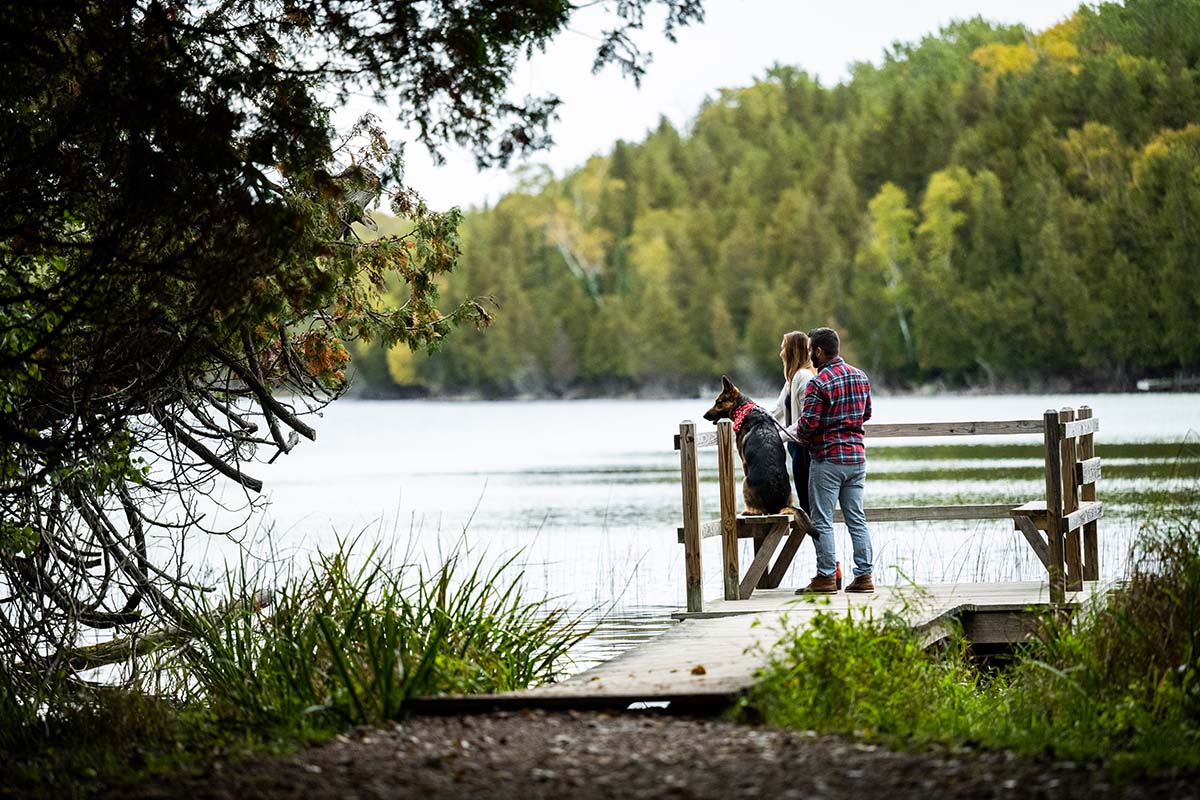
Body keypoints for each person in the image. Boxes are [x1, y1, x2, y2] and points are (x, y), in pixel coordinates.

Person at [791, 326, 874, 594]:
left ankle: (826, 577)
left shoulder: (819, 382)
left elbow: (808, 425)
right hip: (856, 459)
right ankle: (864, 577)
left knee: (822, 519)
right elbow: (867, 413)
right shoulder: (860, 376)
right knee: (856, 519)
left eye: (810, 351)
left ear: (818, 351)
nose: (809, 357)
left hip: (827, 460)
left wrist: (800, 433)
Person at [770, 331, 815, 513]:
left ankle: (820, 540)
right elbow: (776, 412)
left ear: (792, 351)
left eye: (783, 347)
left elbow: (806, 418)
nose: (780, 352)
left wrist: (778, 438)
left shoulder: (804, 377)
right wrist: (750, 422)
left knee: (809, 508)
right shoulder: (792, 379)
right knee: (808, 507)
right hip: (796, 448)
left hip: (805, 450)